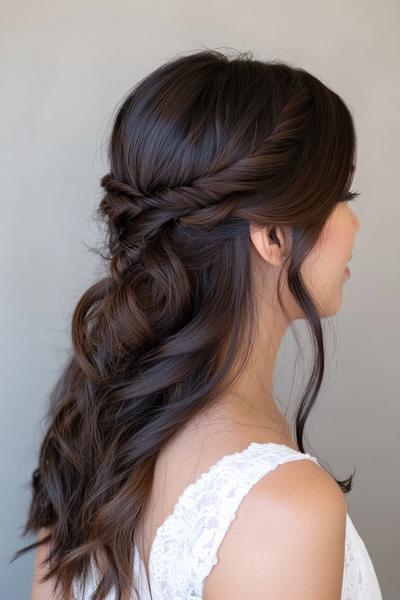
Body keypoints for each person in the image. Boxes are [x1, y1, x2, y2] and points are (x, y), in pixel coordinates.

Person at [12, 48, 382, 599]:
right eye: (340, 196)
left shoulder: (87, 444)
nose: (353, 222)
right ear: (272, 235)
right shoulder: (285, 509)